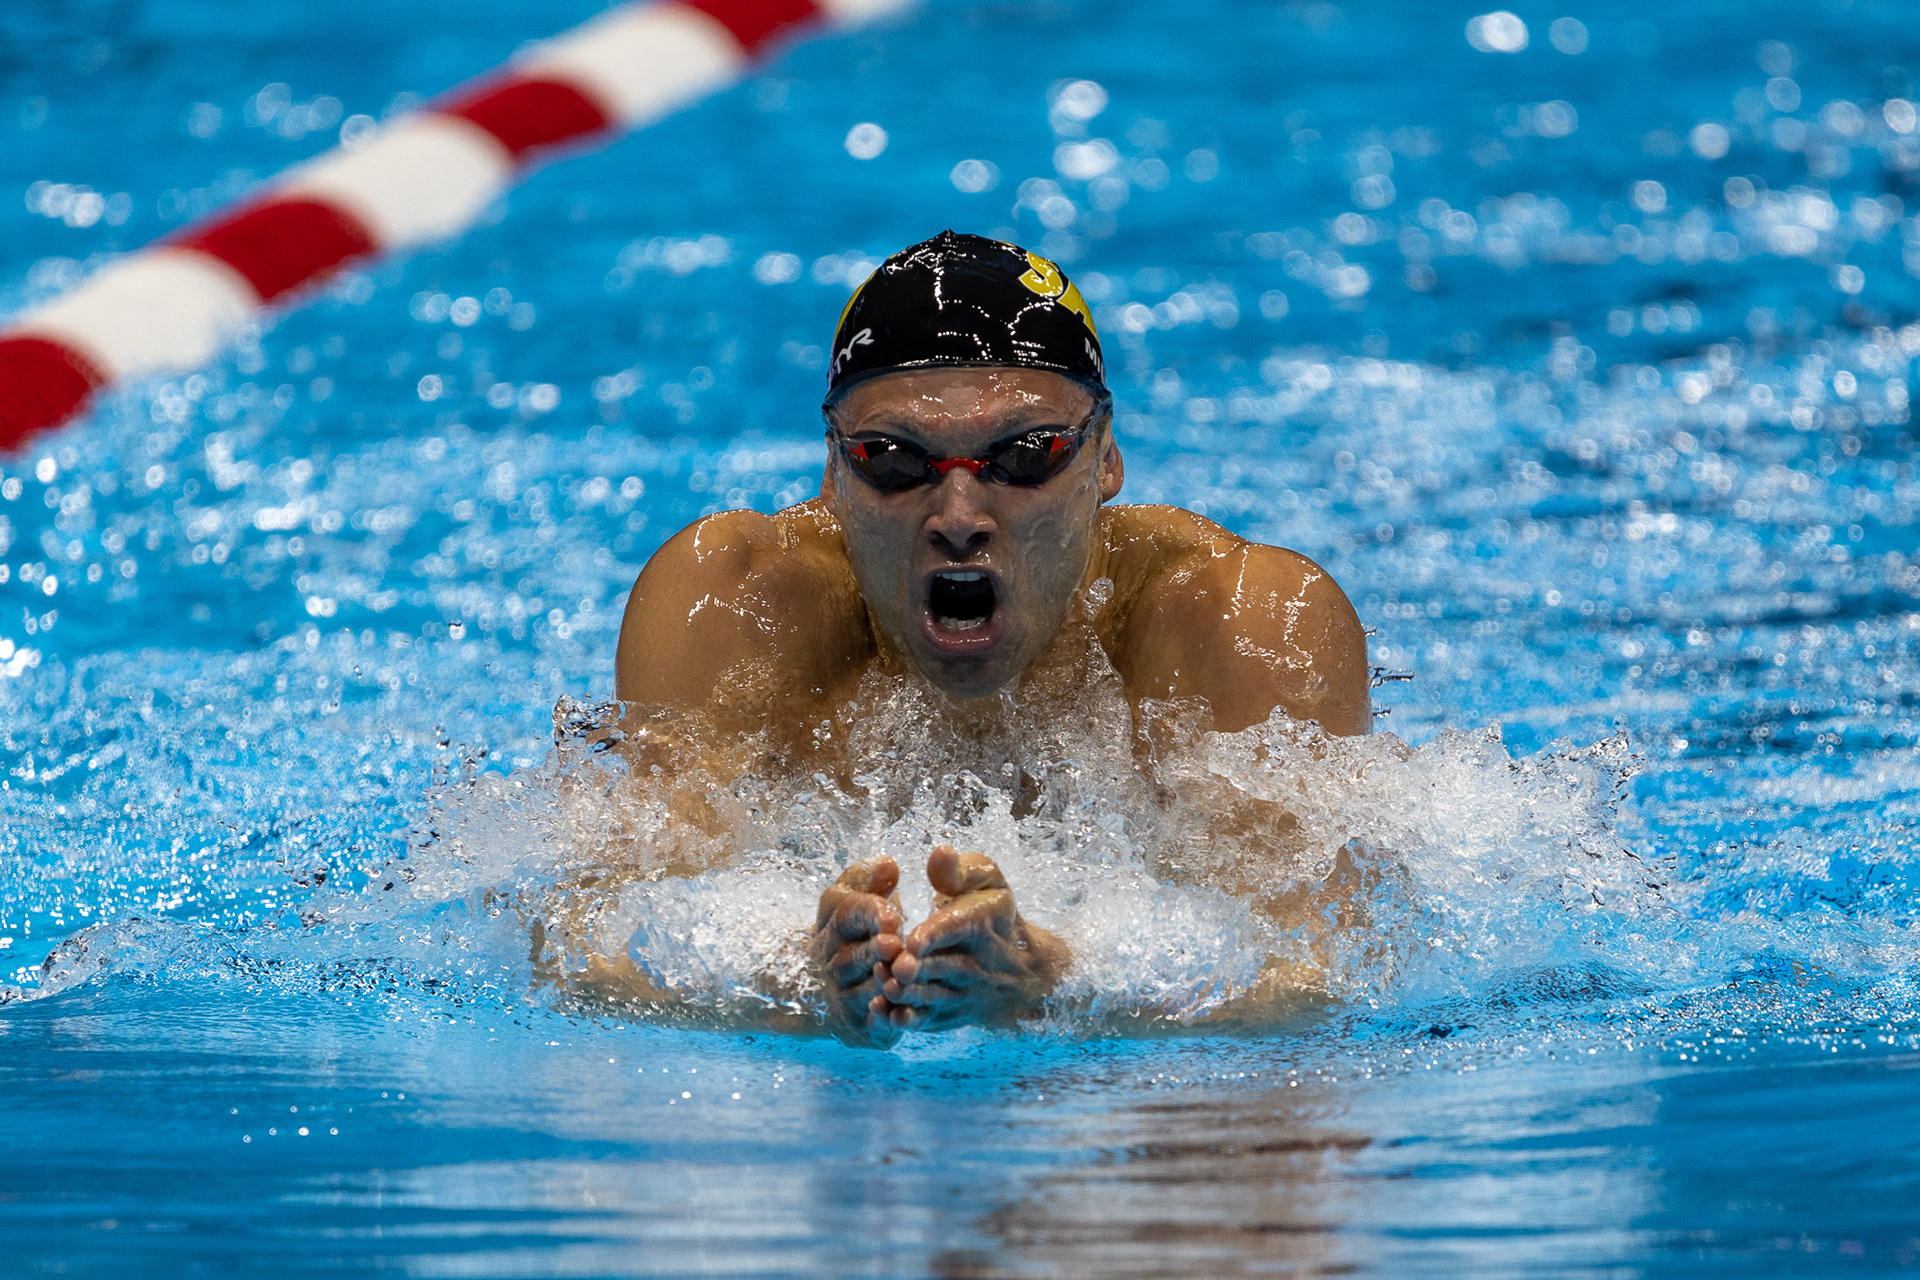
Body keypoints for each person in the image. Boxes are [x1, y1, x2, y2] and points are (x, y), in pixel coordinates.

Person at [608, 231, 1371, 1047]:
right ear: (833, 471)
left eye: (1025, 455)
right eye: (894, 460)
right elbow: (588, 942)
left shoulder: (1243, 622)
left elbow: (1321, 977)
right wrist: (796, 978)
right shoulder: (733, 606)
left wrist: (1050, 979)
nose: (961, 520)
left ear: (1104, 458)